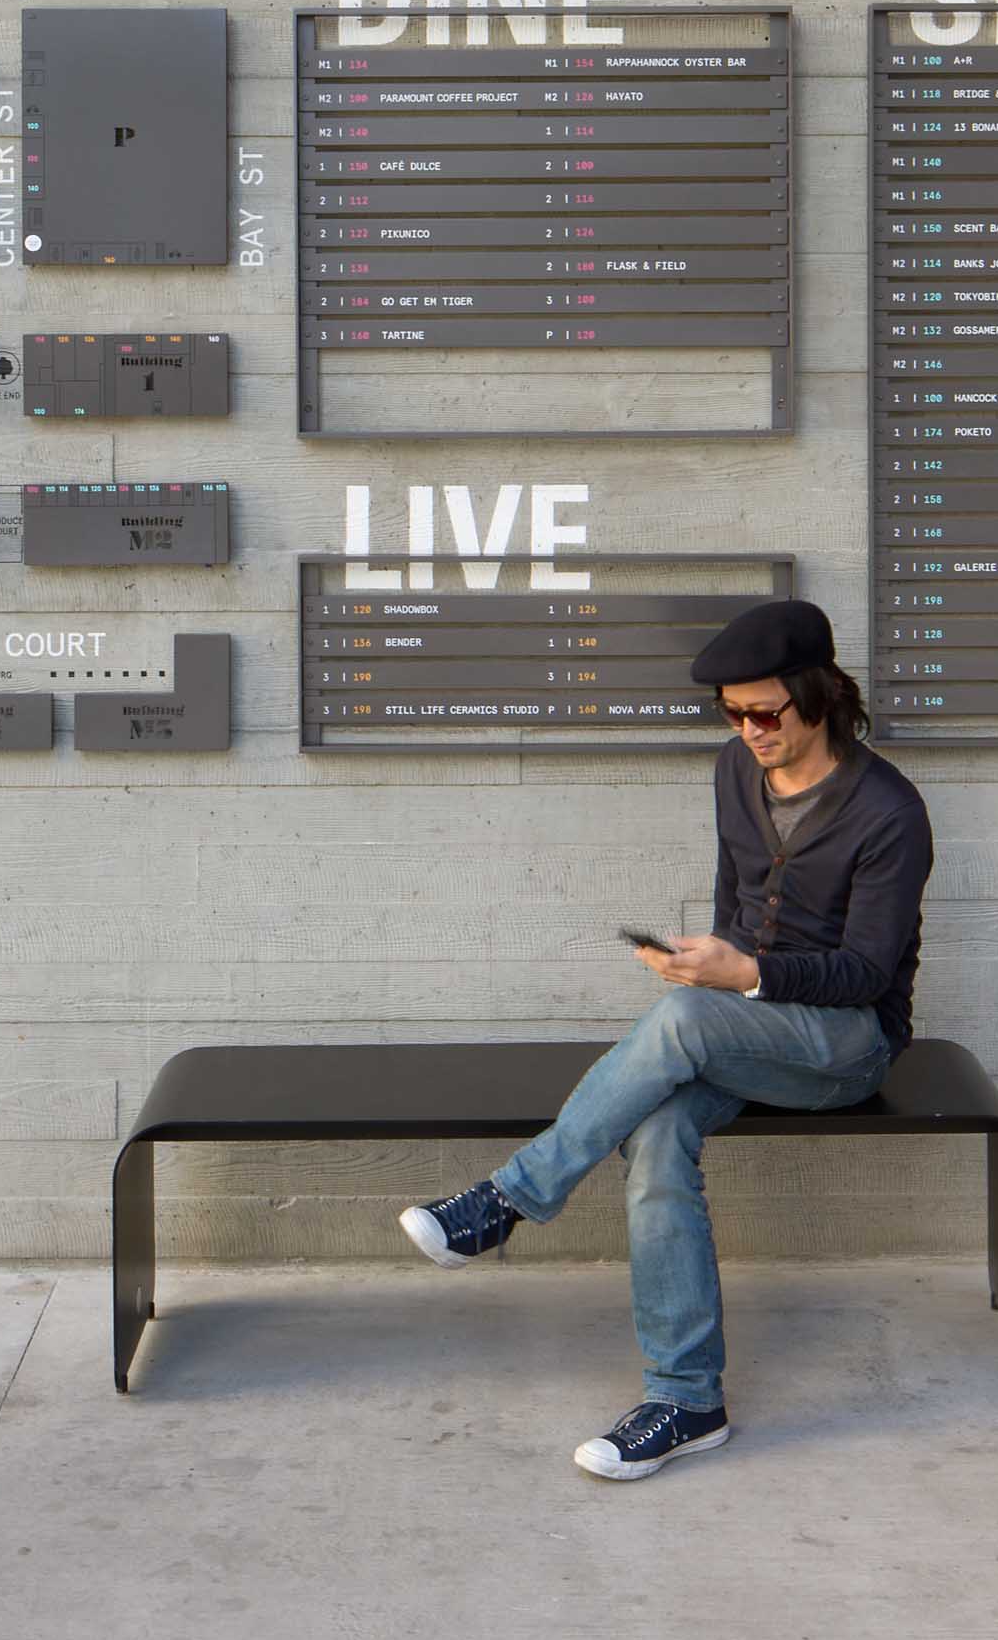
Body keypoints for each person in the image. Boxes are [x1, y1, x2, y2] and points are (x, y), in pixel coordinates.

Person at [400, 595, 934, 1481]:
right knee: (654, 1134)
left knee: (686, 1020)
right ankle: (687, 1401)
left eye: (765, 711)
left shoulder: (889, 811)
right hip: (746, 1026)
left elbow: (868, 975)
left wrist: (744, 981)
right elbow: (737, 903)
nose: (748, 729)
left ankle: (512, 1199)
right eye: (732, 712)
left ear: (822, 695)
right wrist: (708, 962)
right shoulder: (734, 771)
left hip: (848, 1043)